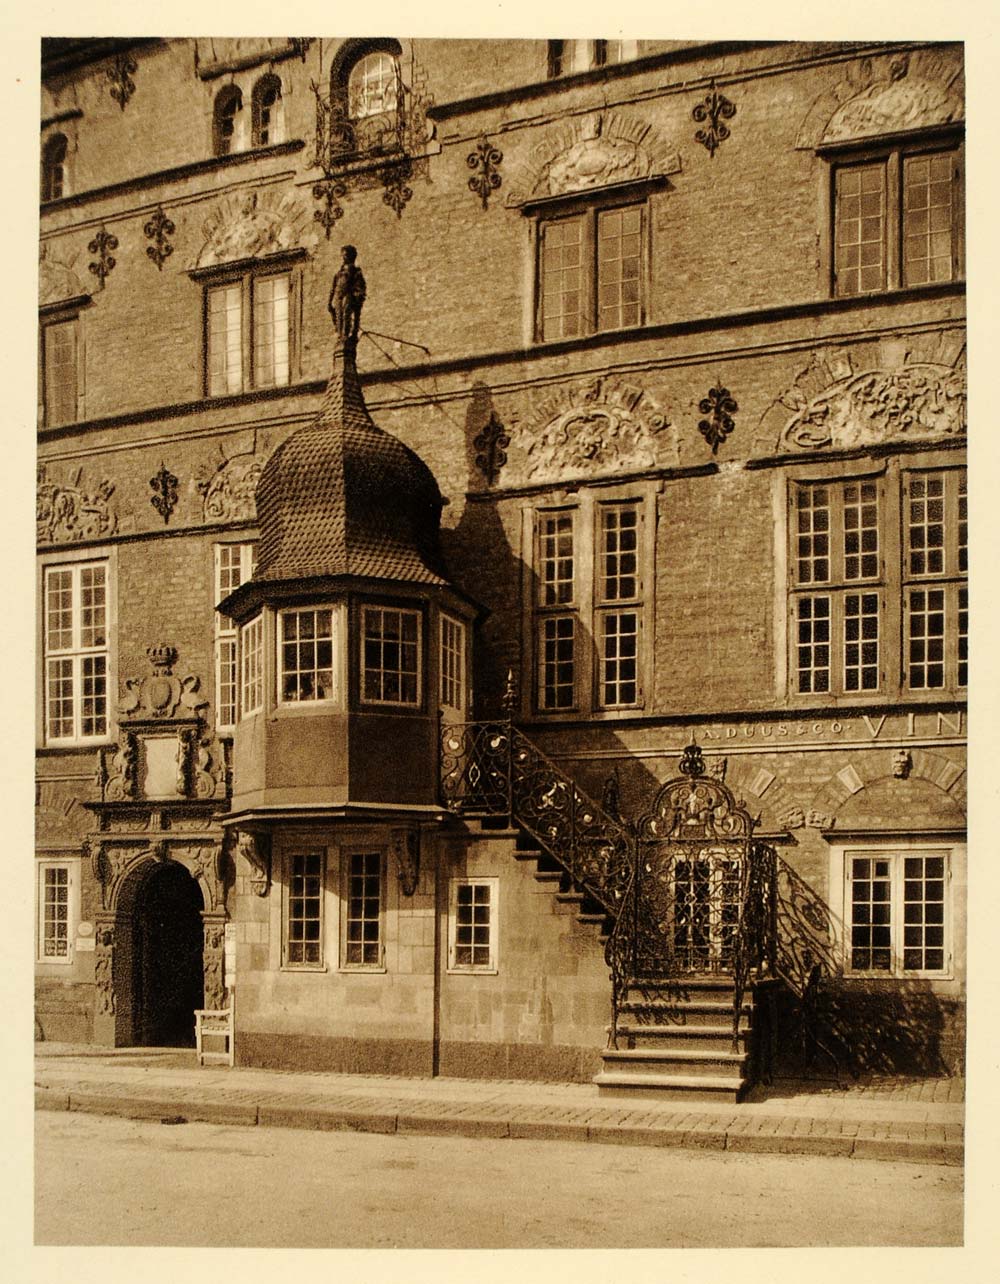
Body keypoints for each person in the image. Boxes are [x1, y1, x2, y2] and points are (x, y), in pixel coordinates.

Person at [328, 244, 366, 340]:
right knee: (339, 315)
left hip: (348, 295)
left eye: (346, 255)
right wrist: (329, 301)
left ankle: (346, 334)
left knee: (346, 315)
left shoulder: (355, 271)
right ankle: (339, 334)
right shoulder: (339, 273)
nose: (344, 257)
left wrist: (357, 295)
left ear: (351, 256)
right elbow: (333, 287)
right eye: (343, 255)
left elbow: (360, 286)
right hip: (338, 296)